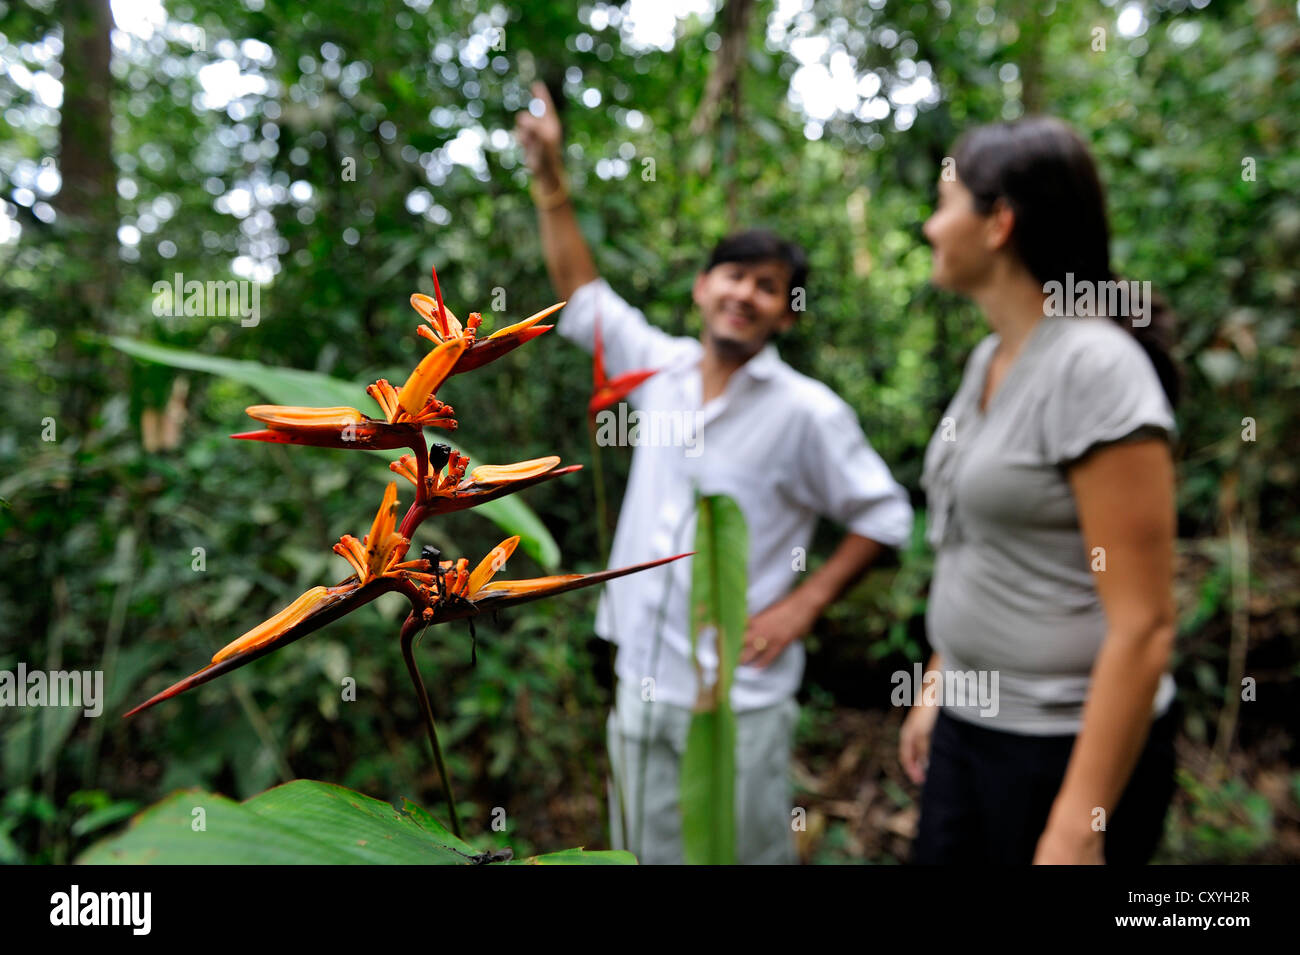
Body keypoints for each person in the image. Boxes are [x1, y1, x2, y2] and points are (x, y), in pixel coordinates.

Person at [515, 82, 913, 864]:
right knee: (639, 849)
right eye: (734, 275)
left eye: (768, 286)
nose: (746, 294)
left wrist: (803, 604)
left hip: (741, 694)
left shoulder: (808, 412)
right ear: (702, 287)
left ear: (786, 314)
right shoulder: (654, 368)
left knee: (740, 851)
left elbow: (887, 517)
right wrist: (549, 175)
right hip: (641, 671)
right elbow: (582, 295)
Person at [902, 116, 1181, 865]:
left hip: (1061, 748)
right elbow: (976, 541)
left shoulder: (1095, 368)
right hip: (970, 727)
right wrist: (940, 682)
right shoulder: (989, 358)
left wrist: (1077, 825)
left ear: (998, 224)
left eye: (944, 203)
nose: (930, 227)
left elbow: (1145, 625)